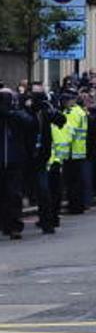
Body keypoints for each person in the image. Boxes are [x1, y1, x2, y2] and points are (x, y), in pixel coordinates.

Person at [25, 86, 66, 234]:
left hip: (40, 158)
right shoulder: (26, 111)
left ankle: (47, 222)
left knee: (43, 191)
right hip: (25, 157)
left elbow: (61, 120)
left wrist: (51, 109)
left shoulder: (45, 112)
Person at [0, 88, 34, 240]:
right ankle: (5, 224)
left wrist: (11, 113)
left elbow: (29, 122)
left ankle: (15, 226)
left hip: (15, 161)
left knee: (14, 194)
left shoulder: (17, 115)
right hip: (3, 160)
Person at [61, 91, 88, 214]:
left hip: (71, 151)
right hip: (79, 150)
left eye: (66, 100)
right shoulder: (80, 111)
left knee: (72, 182)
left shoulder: (71, 112)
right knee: (77, 180)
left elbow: (68, 132)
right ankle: (78, 205)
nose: (64, 103)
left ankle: (74, 207)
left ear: (72, 100)